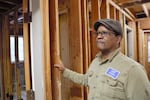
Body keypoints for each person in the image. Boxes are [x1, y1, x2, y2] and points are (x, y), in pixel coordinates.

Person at [54, 19, 150, 100]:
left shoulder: (133, 70)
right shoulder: (96, 62)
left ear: (118, 39)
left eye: (104, 33)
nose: (99, 36)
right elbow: (86, 80)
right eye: (98, 33)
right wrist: (64, 71)